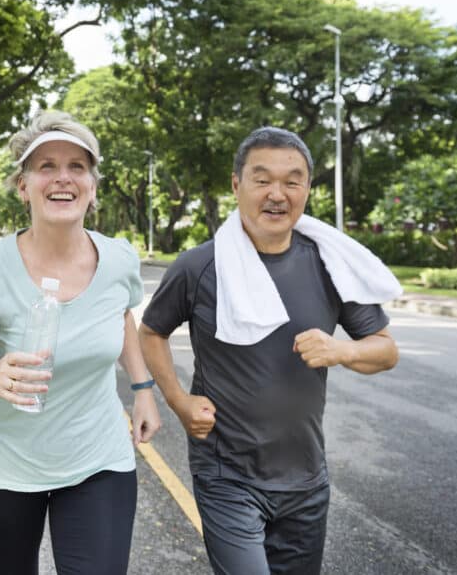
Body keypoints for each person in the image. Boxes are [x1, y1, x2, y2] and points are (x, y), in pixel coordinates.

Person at [139, 126, 400, 575]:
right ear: (236, 184)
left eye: (292, 180)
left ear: (307, 190)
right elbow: (151, 332)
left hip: (306, 478)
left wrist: (342, 351)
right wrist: (179, 402)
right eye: (262, 180)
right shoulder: (198, 267)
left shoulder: (330, 264)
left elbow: (386, 350)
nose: (277, 194)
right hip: (227, 474)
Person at [0, 110, 161, 575]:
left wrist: (142, 390)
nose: (63, 178)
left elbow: (120, 317)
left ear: (92, 185)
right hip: (5, 469)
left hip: (99, 460)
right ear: (24, 186)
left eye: (77, 166)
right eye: (46, 166)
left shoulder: (118, 258)